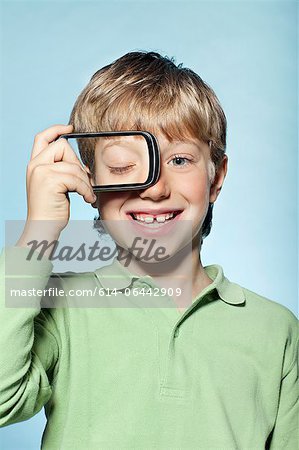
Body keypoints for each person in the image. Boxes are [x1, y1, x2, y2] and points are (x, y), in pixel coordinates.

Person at [0, 51, 298, 449]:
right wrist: (39, 230)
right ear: (88, 183)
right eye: (124, 166)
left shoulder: (276, 331)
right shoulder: (61, 307)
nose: (155, 189)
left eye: (179, 159)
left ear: (216, 177)